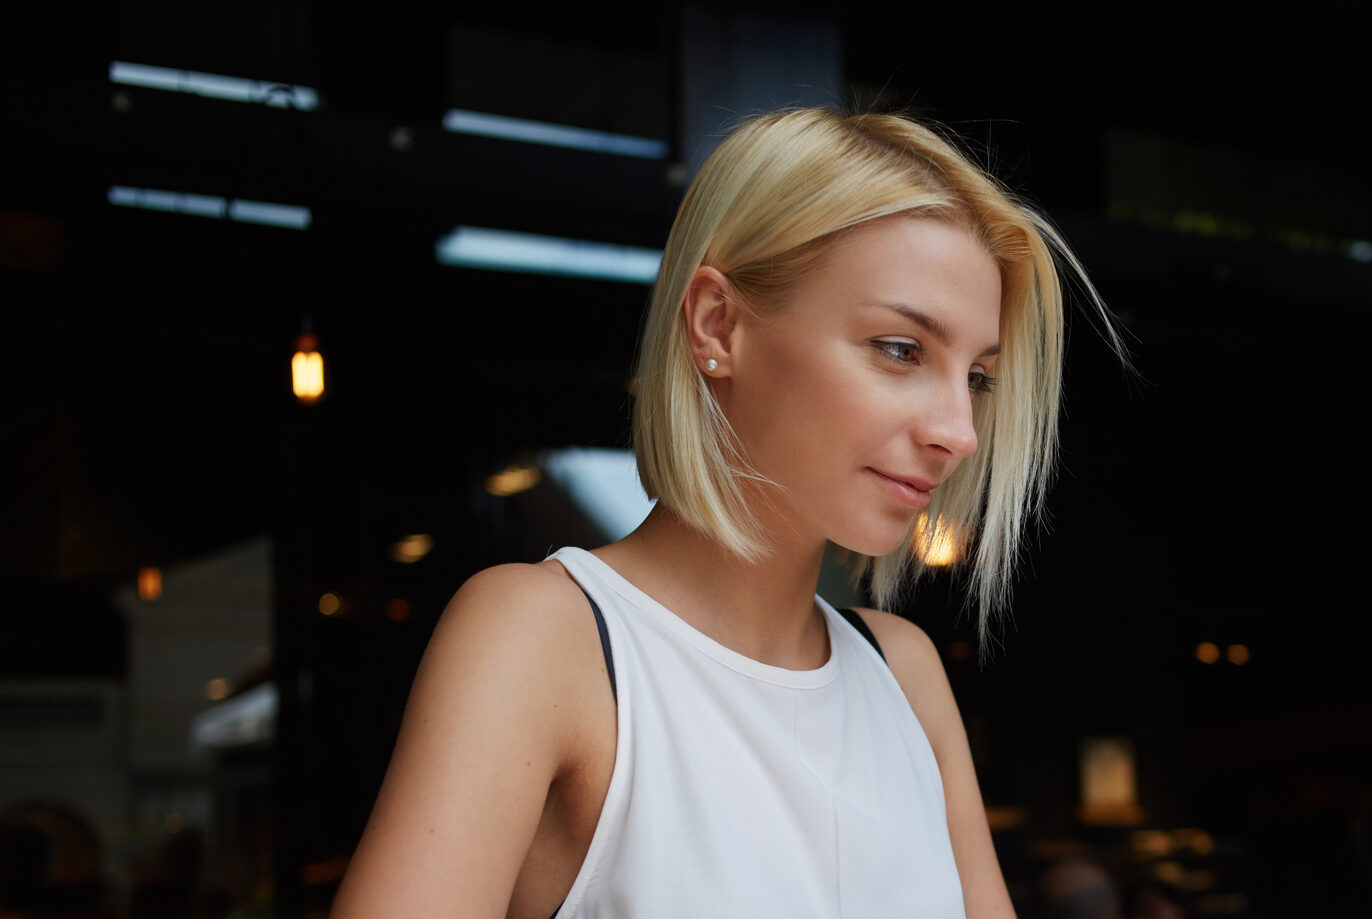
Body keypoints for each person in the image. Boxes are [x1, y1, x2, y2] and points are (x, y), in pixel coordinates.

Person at [330, 108, 1117, 918]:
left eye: (977, 377)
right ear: (718, 324)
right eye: (900, 349)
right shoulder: (546, 641)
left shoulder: (902, 675)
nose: (957, 431)